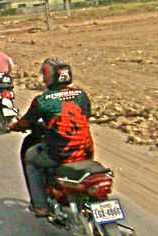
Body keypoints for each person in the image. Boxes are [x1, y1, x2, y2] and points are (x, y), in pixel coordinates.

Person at [9, 57, 94, 217]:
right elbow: (86, 115)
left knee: (31, 158)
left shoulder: (42, 101)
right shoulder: (81, 95)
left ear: (48, 77)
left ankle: (40, 206)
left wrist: (14, 126)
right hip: (86, 151)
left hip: (60, 154)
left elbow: (26, 122)